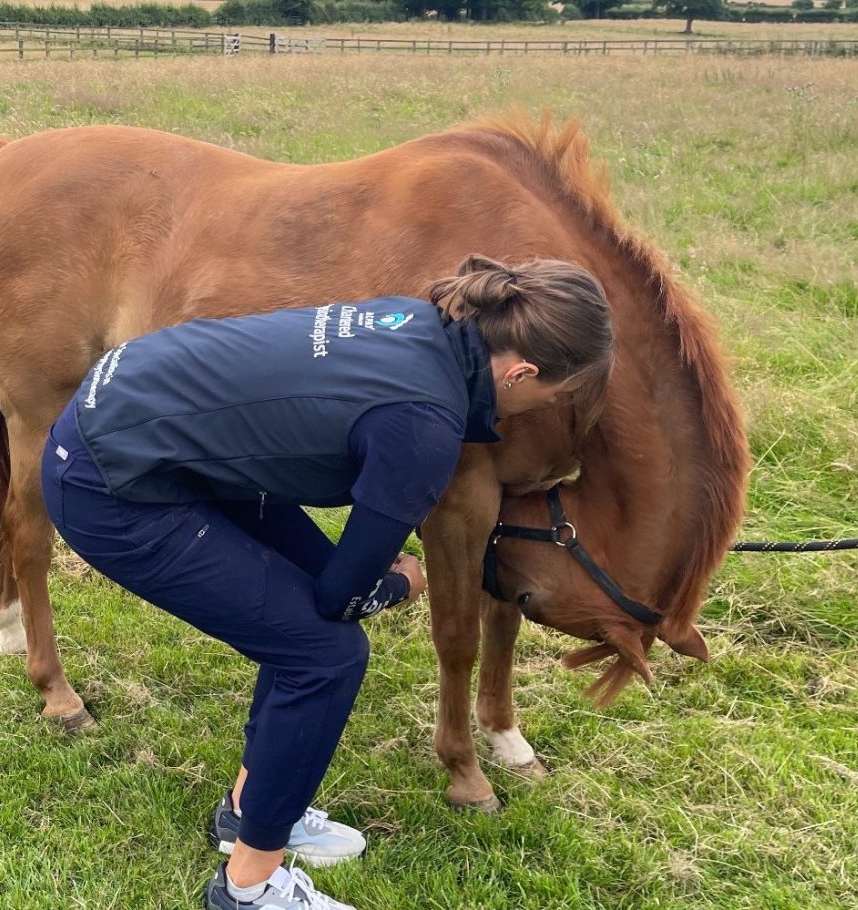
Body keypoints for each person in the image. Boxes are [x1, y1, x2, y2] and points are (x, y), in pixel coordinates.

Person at [40, 254, 615, 910]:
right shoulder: (425, 425)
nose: (551, 407)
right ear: (521, 373)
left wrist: (369, 571)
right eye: (558, 396)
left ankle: (250, 811)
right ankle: (248, 887)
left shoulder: (421, 321)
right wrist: (401, 584)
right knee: (326, 654)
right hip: (109, 480)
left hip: (145, 427)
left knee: (301, 623)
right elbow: (341, 597)